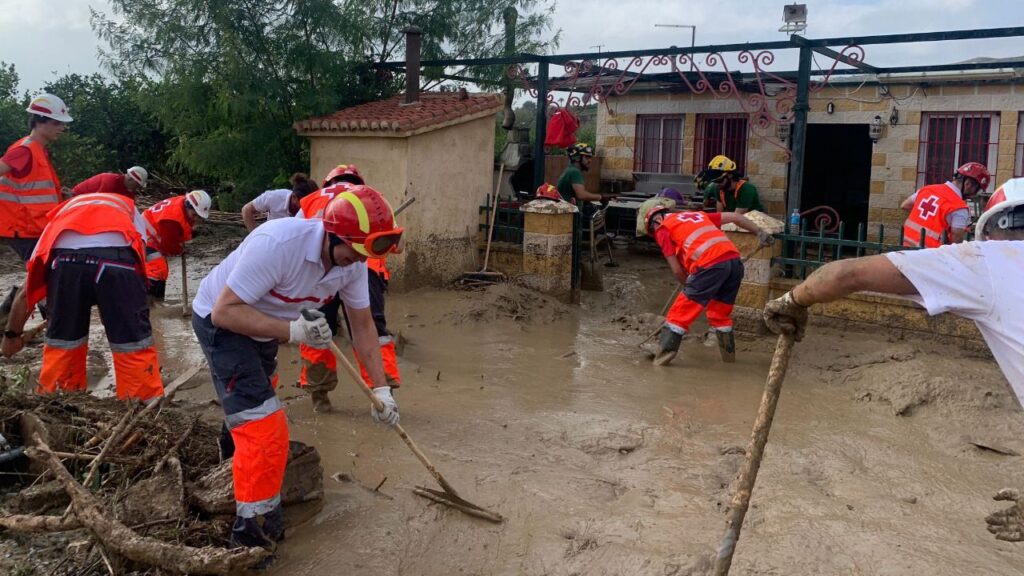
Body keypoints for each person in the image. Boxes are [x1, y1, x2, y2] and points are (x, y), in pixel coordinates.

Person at [762, 177, 1024, 543]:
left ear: (995, 228)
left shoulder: (992, 258)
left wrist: (792, 301)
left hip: (928, 260)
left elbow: (845, 274)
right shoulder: (961, 213)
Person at [190, 185, 402, 553]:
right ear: (333, 235)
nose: (357, 261)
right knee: (265, 429)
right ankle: (254, 535)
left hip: (263, 322)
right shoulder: (278, 244)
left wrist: (380, 390)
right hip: (221, 320)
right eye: (354, 252)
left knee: (255, 401)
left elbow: (364, 327)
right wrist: (293, 331)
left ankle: (228, 466)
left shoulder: (352, 262)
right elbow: (225, 312)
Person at [0, 192, 162, 401]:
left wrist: (11, 336)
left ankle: (59, 405)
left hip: (66, 265)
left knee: (63, 346)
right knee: (133, 346)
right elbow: (139, 259)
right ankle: (144, 408)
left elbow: (24, 294)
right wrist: (120, 313)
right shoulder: (128, 209)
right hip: (119, 263)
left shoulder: (57, 220)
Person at [297, 164, 402, 413]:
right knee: (373, 327)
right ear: (358, 182)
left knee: (318, 329)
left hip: (324, 269)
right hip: (368, 267)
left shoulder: (311, 200)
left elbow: (298, 239)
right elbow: (399, 246)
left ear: (327, 183)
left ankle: (320, 398)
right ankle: (384, 395)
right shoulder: (373, 199)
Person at [638, 196, 774, 366]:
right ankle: (729, 361)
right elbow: (736, 217)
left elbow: (676, 270)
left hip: (710, 265)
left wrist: (688, 285)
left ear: (654, 222)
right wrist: (760, 233)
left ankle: (660, 361)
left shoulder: (662, 229)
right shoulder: (697, 215)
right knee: (720, 315)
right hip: (734, 264)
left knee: (678, 314)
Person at [0, 94, 72, 317]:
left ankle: (7, 316)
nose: (61, 128)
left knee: (42, 273)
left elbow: (33, 187)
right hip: (23, 228)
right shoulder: (24, 150)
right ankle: (54, 321)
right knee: (47, 275)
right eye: (56, 123)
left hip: (36, 226)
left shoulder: (38, 150)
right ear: (39, 122)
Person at [900, 162, 990, 247]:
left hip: (905, 246)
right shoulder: (959, 207)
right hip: (930, 255)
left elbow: (905, 205)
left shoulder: (927, 189)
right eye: (977, 190)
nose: (974, 194)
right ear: (968, 184)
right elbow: (956, 238)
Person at [142, 190, 212, 299]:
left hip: (151, 234)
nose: (196, 219)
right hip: (142, 237)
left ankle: (157, 302)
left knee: (161, 270)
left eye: (198, 216)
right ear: (188, 206)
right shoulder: (172, 219)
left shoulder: (183, 204)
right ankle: (149, 303)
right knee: (157, 269)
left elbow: (177, 233)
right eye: (194, 215)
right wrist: (179, 250)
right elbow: (168, 245)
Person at [241, 172, 319, 231]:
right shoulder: (274, 197)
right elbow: (246, 209)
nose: (309, 207)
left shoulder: (314, 209)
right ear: (294, 197)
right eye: (305, 204)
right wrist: (254, 235)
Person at [556, 143, 605, 214]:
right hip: (570, 218)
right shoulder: (574, 172)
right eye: (587, 157)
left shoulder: (570, 170)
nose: (590, 161)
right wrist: (600, 197)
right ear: (577, 157)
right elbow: (581, 195)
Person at [72, 167, 148, 199]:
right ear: (130, 180)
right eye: (137, 185)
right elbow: (100, 202)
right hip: (76, 198)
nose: (137, 189)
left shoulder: (128, 190)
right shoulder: (110, 181)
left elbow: (130, 205)